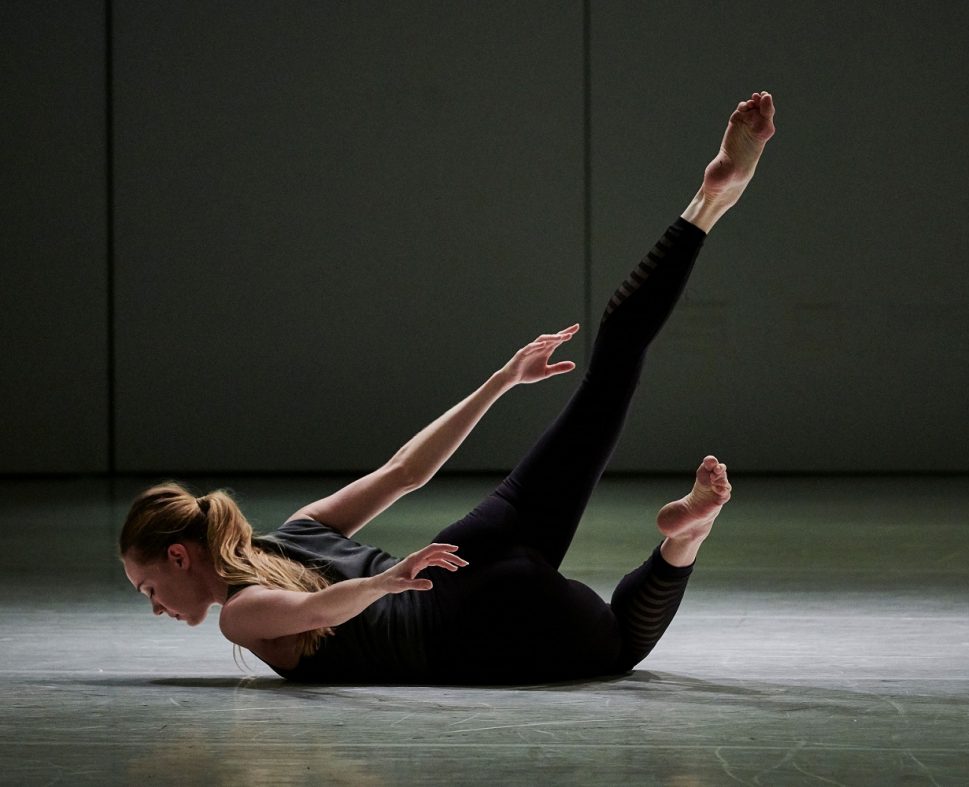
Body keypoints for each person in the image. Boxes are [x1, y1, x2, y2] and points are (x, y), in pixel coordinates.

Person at [121, 92, 776, 684]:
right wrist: (500, 380)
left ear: (179, 556)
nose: (155, 606)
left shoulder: (238, 615)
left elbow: (314, 607)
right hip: (472, 543)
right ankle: (706, 202)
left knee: (622, 645)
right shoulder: (299, 529)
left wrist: (388, 583)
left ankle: (686, 537)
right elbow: (407, 471)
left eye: (148, 586)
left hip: (474, 624)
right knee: (610, 372)